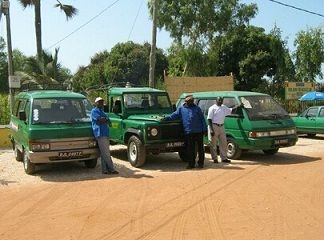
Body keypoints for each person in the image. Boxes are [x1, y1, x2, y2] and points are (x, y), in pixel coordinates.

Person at [163, 95, 207, 169]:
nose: (190, 102)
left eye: (191, 101)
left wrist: (205, 129)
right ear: (186, 102)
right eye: (188, 101)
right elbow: (173, 116)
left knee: (200, 148)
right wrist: (165, 118)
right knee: (190, 149)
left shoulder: (197, 108)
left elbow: (202, 119)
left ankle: (201, 163)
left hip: (199, 131)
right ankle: (191, 164)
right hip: (189, 132)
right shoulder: (181, 109)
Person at [207, 97, 242, 163]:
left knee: (223, 143)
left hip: (221, 126)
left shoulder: (223, 107)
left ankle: (223, 158)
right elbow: (209, 119)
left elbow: (231, 110)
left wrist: (239, 106)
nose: (220, 101)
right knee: (213, 143)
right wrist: (211, 130)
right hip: (213, 126)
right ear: (216, 101)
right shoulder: (212, 108)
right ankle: (214, 158)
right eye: (219, 100)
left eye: (221, 100)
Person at [91, 97, 119, 174]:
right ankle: (111, 169)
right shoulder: (94, 111)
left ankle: (105, 170)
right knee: (106, 152)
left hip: (105, 133)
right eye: (99, 102)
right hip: (100, 133)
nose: (101, 103)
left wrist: (105, 120)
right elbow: (99, 120)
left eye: (102, 102)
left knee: (104, 153)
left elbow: (108, 121)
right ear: (96, 103)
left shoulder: (102, 111)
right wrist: (105, 120)